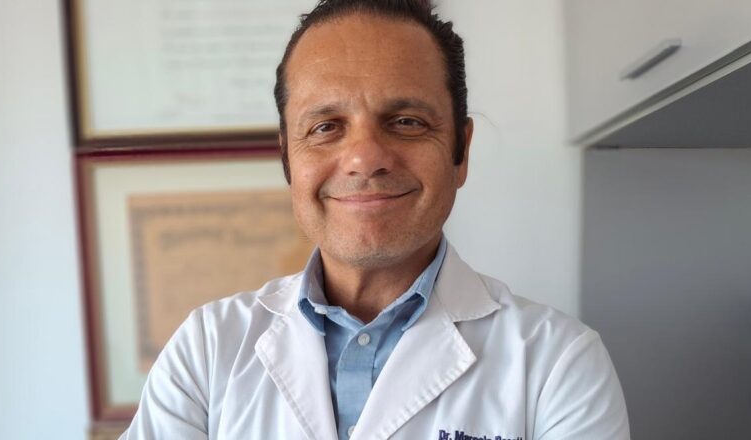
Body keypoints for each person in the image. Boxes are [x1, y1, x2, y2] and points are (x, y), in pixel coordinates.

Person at [122, 1, 630, 439]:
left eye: (406, 122)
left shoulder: (558, 362)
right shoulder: (208, 348)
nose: (365, 159)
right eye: (326, 127)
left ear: (461, 151)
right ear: (287, 158)